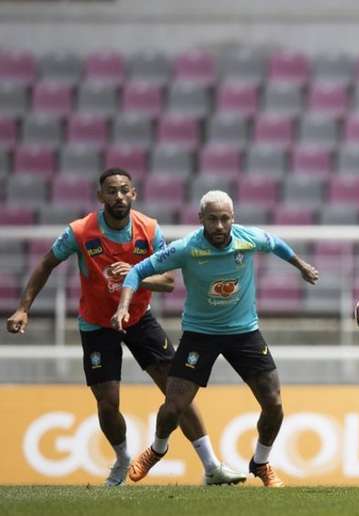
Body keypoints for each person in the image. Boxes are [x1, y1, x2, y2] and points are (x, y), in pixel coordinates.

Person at [6, 169, 245, 487]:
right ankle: (121, 460)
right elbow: (46, 264)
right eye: (111, 191)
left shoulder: (149, 230)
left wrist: (135, 274)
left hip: (138, 318)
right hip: (96, 324)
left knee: (178, 392)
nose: (118, 196)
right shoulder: (80, 232)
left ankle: (212, 467)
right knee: (107, 403)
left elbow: (167, 282)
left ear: (133, 194)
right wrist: (23, 308)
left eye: (124, 190)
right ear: (100, 196)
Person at [111, 190, 319, 488]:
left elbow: (276, 245)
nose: (219, 226)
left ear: (233, 218)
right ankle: (157, 449)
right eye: (212, 219)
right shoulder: (186, 248)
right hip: (200, 334)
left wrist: (301, 266)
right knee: (173, 407)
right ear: (201, 220)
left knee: (274, 404)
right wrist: (123, 307)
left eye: (225, 219)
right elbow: (136, 273)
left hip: (244, 332)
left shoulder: (248, 238)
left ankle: (261, 463)